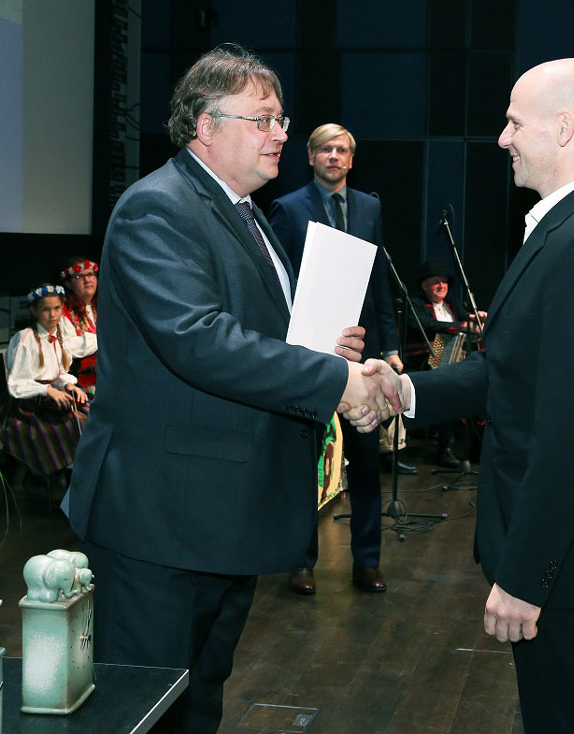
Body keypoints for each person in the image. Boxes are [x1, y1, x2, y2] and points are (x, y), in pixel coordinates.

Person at [64, 44, 396, 734]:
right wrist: (334, 380)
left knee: (199, 699)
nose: (280, 134)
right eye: (263, 119)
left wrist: (323, 354)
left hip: (218, 515)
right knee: (142, 707)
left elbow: (253, 335)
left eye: (281, 120)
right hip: (162, 519)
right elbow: (198, 340)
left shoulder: (245, 212)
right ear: (205, 126)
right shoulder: (157, 208)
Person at [344, 58, 574, 732]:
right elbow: (507, 371)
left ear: (564, 128)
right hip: (559, 556)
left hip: (564, 562)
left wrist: (525, 576)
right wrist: (402, 389)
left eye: (515, 122)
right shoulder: (566, 229)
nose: (502, 138)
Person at [268, 122, 401, 595]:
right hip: (307, 355)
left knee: (366, 463)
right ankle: (300, 561)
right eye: (325, 149)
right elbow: (276, 284)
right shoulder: (287, 208)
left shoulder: (370, 208)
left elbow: (378, 280)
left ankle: (367, 562)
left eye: (342, 149)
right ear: (310, 156)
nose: (334, 156)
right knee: (305, 463)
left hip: (361, 356)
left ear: (351, 159)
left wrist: (391, 347)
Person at [0, 284, 88, 481]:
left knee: (90, 412)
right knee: (73, 423)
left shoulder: (58, 336)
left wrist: (68, 385)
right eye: (46, 309)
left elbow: (58, 373)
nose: (52, 314)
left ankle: (83, 470)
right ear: (34, 310)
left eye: (57, 308)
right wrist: (47, 390)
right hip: (25, 405)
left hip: (49, 397)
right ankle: (69, 476)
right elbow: (16, 384)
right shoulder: (25, 339)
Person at [409, 259, 486, 468]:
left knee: (479, 380)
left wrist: (475, 320)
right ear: (425, 285)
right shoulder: (416, 304)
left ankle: (476, 447)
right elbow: (424, 325)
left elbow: (467, 321)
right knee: (449, 384)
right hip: (427, 359)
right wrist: (461, 326)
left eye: (444, 282)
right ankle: (445, 450)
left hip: (457, 359)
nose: (441, 286)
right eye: (436, 282)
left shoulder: (453, 305)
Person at [58, 257, 99, 396]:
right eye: (79, 276)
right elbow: (66, 346)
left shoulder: (100, 306)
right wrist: (102, 340)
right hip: (78, 384)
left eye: (90, 274)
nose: (87, 280)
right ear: (68, 284)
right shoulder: (62, 311)